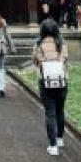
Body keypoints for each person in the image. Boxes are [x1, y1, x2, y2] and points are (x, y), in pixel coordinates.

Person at [32, 18, 69, 154]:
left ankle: (53, 146)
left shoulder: (38, 45)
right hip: (61, 81)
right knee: (60, 110)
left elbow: (35, 62)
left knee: (50, 113)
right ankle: (59, 138)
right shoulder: (61, 44)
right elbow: (65, 59)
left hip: (46, 83)